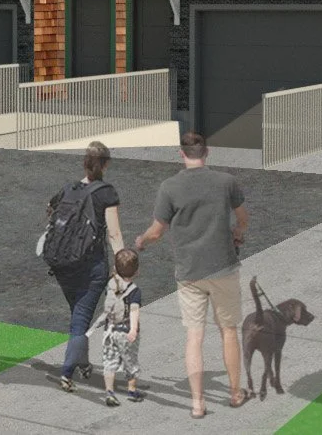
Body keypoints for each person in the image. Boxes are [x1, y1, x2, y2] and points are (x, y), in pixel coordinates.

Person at [134, 132, 249, 417]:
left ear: (181, 154)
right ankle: (235, 393)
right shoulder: (226, 182)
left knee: (194, 336)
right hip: (223, 267)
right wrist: (238, 232)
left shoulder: (169, 187)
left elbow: (157, 231)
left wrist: (141, 241)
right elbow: (243, 218)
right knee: (229, 332)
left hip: (189, 273)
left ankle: (198, 403)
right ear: (206, 152)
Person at [47, 141, 124, 391]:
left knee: (78, 314)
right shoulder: (106, 193)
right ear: (106, 164)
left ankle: (82, 362)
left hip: (62, 264)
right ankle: (67, 372)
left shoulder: (68, 189)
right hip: (91, 266)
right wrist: (122, 266)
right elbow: (113, 234)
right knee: (81, 318)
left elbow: (51, 212)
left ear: (84, 162)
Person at [98, 248, 145, 406]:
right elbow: (134, 310)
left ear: (114, 269)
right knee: (130, 361)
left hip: (110, 331)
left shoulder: (110, 285)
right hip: (126, 332)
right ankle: (132, 390)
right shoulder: (135, 291)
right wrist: (133, 329)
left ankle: (109, 392)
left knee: (109, 362)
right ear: (137, 272)